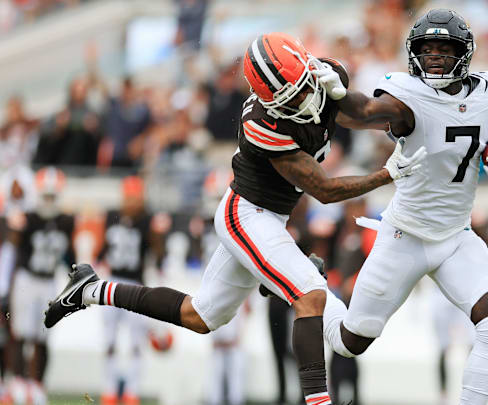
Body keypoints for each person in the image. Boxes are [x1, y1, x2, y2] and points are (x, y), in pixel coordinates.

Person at [44, 32, 426, 405]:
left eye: (307, 87)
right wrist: (386, 174)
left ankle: (90, 290)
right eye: (292, 97)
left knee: (200, 316)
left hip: (271, 218)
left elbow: (350, 105)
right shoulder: (261, 124)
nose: (307, 100)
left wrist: (341, 85)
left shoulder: (321, 73)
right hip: (246, 215)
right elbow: (324, 190)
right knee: (310, 296)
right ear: (268, 97)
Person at [310, 9, 488, 404]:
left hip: (456, 235)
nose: (436, 55)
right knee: (348, 342)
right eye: (427, 48)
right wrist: (337, 94)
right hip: (404, 234)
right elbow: (363, 112)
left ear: (465, 53)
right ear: (413, 54)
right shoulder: (407, 96)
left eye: (445, 47)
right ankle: (310, 284)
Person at [7, 167, 74, 405]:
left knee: (43, 336)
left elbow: (70, 256)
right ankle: (16, 381)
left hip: (48, 281)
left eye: (52, 196)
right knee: (21, 333)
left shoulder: (65, 221)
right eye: (45, 195)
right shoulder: (27, 218)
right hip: (27, 279)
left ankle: (37, 384)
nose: (48, 201)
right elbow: (13, 246)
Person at [98, 176, 163, 405]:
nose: (132, 203)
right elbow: (101, 251)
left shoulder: (147, 220)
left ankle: (131, 391)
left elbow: (157, 255)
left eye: (136, 198)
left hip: (136, 284)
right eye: (129, 197)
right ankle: (110, 387)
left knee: (136, 342)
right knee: (109, 341)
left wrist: (157, 233)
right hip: (112, 283)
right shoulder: (111, 216)